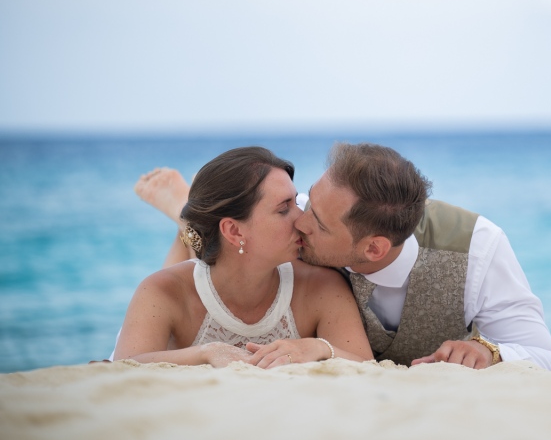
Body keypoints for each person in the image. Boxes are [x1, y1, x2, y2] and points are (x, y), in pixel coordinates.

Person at [142, 143, 551, 370]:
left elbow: (546, 357)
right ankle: (187, 212)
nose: (300, 221)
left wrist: (492, 352)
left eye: (317, 222)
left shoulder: (479, 248)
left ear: (373, 248)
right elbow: (221, 265)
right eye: (306, 200)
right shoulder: (308, 217)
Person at [113, 146, 373, 368]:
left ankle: (186, 221)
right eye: (284, 209)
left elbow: (368, 367)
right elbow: (124, 365)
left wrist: (320, 348)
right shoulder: (161, 290)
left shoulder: (322, 287)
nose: (302, 220)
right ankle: (186, 221)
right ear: (234, 230)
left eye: (297, 202)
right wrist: (206, 352)